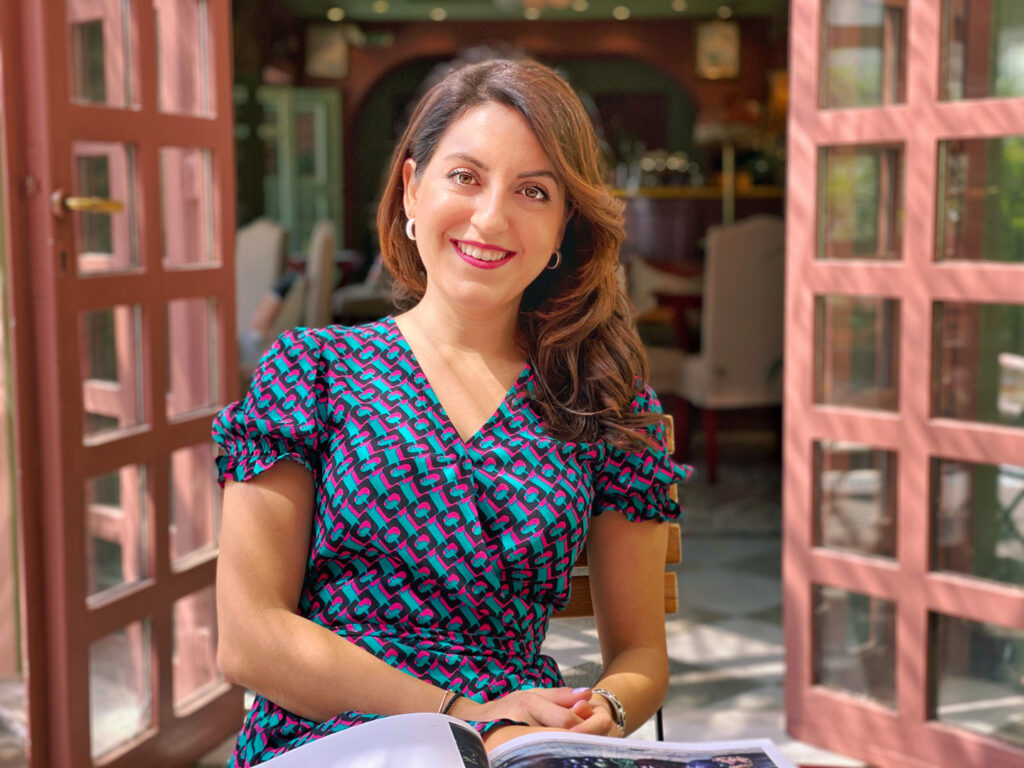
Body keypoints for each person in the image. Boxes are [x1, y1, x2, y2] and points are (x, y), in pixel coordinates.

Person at [213, 58, 693, 767]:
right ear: (411, 189)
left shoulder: (603, 400)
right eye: (465, 177)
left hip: (518, 744)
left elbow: (640, 653)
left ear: (565, 225)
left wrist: (601, 711)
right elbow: (249, 638)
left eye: (534, 191)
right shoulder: (311, 370)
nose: (491, 217)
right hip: (336, 735)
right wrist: (464, 717)